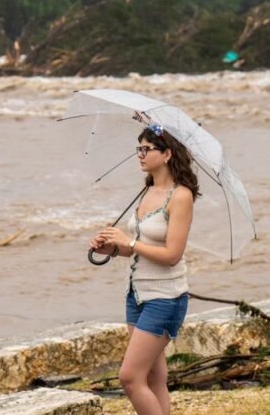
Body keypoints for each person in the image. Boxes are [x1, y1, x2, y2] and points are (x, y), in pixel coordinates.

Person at [89, 124, 199, 415]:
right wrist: (112, 248)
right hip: (136, 295)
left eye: (146, 149)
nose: (139, 154)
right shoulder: (147, 191)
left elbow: (172, 255)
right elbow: (135, 247)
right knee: (153, 377)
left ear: (166, 155)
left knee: (129, 377)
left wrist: (130, 242)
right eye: (138, 148)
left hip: (166, 298)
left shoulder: (180, 196)